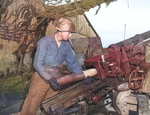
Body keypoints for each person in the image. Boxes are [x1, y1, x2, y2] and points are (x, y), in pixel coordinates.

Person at [20, 17, 97, 115]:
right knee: (31, 106)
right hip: (41, 77)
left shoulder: (67, 46)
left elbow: (72, 64)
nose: (70, 35)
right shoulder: (44, 42)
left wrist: (83, 76)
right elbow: (37, 64)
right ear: (61, 30)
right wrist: (49, 78)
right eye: (69, 32)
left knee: (51, 108)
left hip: (57, 79)